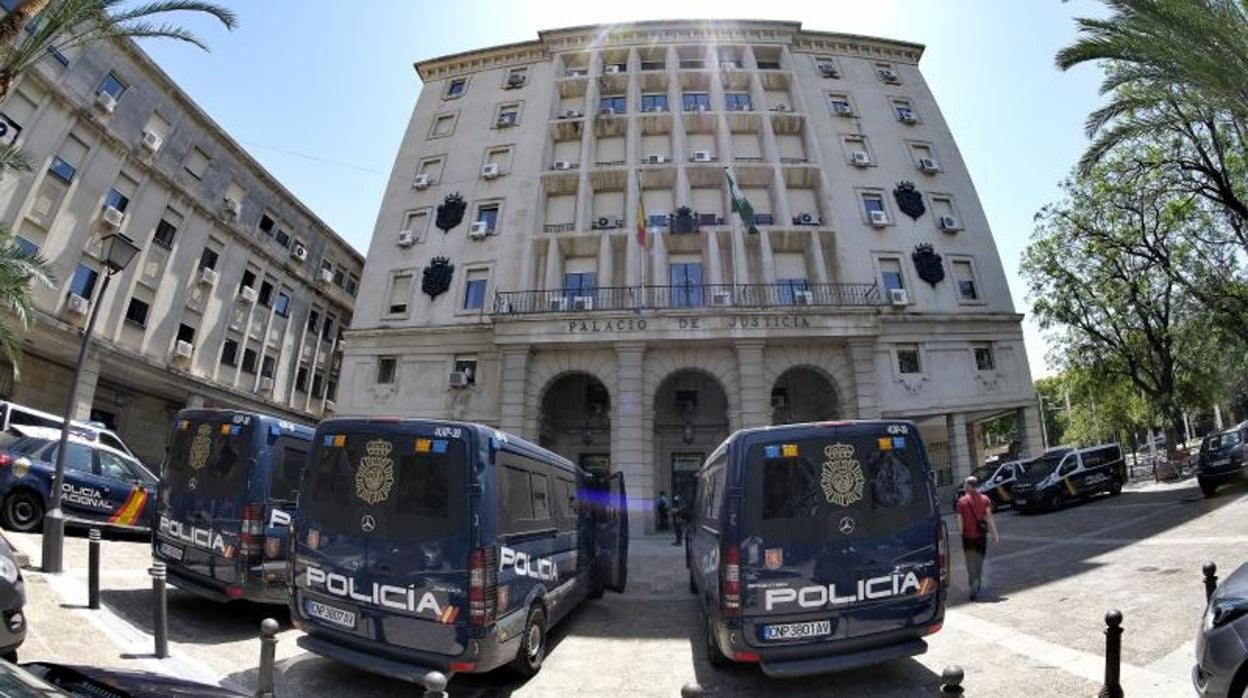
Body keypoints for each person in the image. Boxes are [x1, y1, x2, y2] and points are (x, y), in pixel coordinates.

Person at [954, 475, 999, 600]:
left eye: (965, 484)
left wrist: (961, 533)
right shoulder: (985, 499)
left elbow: (959, 520)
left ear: (968, 486)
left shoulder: (961, 501)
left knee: (969, 561)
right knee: (979, 560)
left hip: (967, 537)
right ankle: (977, 581)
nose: (964, 486)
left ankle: (972, 581)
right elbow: (989, 518)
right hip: (981, 536)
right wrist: (995, 534)